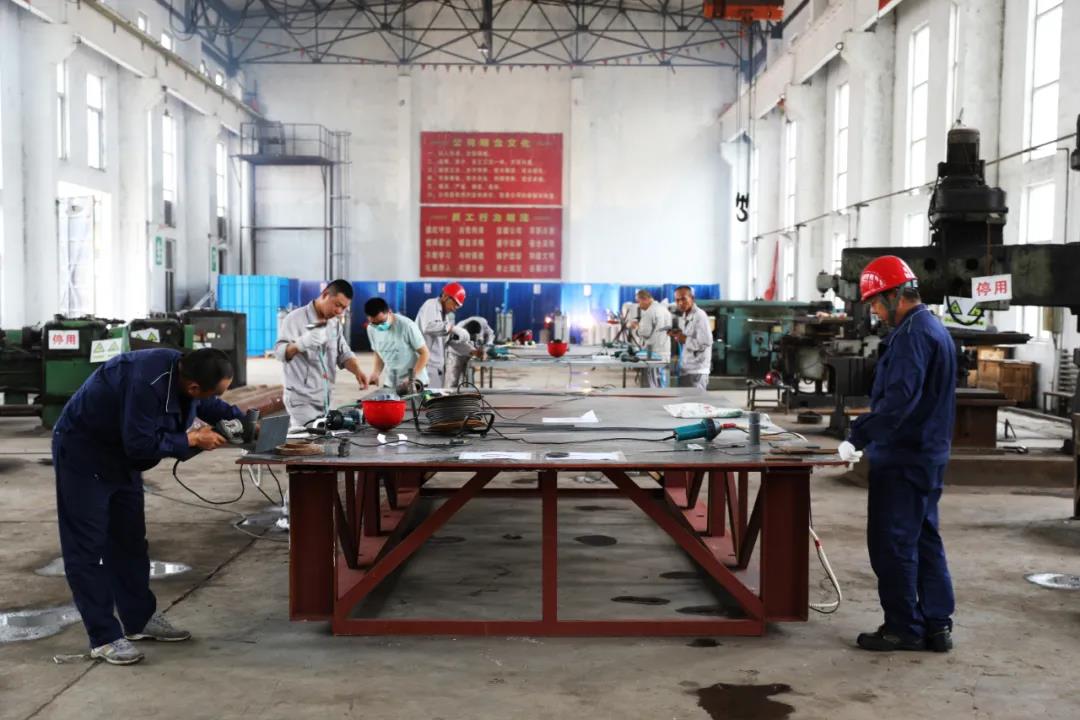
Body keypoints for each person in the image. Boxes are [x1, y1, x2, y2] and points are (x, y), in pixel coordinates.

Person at [52, 348, 244, 665]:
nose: (214, 398)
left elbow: (209, 405)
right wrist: (192, 440)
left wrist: (244, 422)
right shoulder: (145, 382)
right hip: (84, 455)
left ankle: (138, 620)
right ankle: (104, 637)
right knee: (86, 549)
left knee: (129, 542)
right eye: (214, 391)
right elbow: (140, 444)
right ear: (193, 386)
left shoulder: (187, 371)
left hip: (123, 459)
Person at [838, 255, 956, 653]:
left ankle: (903, 627)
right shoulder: (934, 328)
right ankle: (937, 625)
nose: (874, 311)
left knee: (893, 543)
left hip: (903, 458)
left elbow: (898, 402)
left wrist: (858, 436)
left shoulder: (910, 337)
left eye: (875, 302)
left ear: (895, 296)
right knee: (924, 539)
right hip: (929, 454)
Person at [274, 280, 368, 428]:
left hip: (325, 400)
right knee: (307, 437)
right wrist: (301, 344)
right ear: (325, 295)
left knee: (325, 437)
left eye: (344, 308)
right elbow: (279, 353)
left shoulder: (334, 323)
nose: (339, 311)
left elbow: (343, 353)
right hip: (301, 402)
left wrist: (358, 371)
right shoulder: (294, 319)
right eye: (337, 305)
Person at [365, 296, 430, 394]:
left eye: (381, 322)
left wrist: (411, 378)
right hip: (391, 382)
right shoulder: (371, 329)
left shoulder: (407, 326)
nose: (378, 326)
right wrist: (376, 373)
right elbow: (378, 353)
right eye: (374, 323)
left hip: (414, 382)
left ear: (389, 312)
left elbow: (425, 354)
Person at [415, 282, 466, 388]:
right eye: (455, 304)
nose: (455, 308)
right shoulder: (430, 305)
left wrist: (470, 350)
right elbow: (428, 326)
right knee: (427, 396)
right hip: (426, 366)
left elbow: (446, 341)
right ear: (445, 296)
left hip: (437, 367)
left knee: (436, 396)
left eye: (457, 306)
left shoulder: (445, 316)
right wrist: (451, 328)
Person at [668, 286, 713, 390]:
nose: (680, 303)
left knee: (695, 400)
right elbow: (689, 336)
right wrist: (679, 335)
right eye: (677, 300)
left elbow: (705, 342)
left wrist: (684, 339)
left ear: (692, 298)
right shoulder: (686, 315)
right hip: (687, 368)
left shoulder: (700, 316)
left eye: (683, 299)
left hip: (696, 371)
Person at [628, 289, 672, 388]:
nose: (639, 305)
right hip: (665, 352)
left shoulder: (650, 312)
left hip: (653, 354)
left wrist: (636, 328)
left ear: (645, 299)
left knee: (650, 386)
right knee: (662, 384)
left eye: (639, 302)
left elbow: (645, 333)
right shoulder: (664, 309)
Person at [444, 316, 496, 388]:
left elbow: (491, 335)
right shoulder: (459, 328)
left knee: (469, 376)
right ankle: (453, 392)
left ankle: (468, 391)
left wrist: (486, 348)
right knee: (453, 379)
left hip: (471, 352)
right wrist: (473, 351)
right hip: (456, 353)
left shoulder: (483, 323)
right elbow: (457, 345)